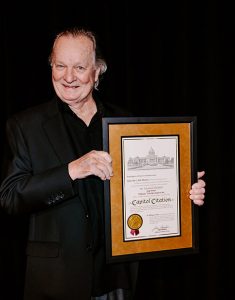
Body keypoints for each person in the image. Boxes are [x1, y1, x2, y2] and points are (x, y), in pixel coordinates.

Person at [0, 27, 206, 300]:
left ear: (97, 72)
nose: (68, 77)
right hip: (58, 281)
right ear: (51, 66)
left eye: (80, 67)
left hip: (117, 278)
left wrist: (182, 190)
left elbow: (146, 187)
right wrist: (72, 171)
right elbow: (11, 197)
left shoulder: (125, 123)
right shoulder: (26, 125)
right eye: (60, 65)